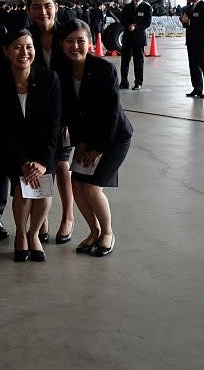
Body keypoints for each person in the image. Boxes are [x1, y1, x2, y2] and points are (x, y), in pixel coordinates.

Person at [58, 20, 133, 258]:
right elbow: (70, 113)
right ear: (62, 44)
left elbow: (111, 114)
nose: (75, 46)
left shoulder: (105, 69)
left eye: (81, 40)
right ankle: (94, 231)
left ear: (90, 42)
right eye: (69, 41)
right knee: (76, 186)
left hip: (114, 138)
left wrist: (98, 148)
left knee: (91, 187)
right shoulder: (61, 72)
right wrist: (79, 142)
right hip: (86, 138)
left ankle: (108, 233)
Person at [0, 29, 61, 262]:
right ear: (6, 51)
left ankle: (34, 234)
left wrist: (42, 162)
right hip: (13, 152)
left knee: (42, 189)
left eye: (29, 47)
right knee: (23, 187)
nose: (24, 52)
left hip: (43, 150)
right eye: (18, 47)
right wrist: (23, 163)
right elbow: (2, 130)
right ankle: (21, 234)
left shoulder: (49, 79)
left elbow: (54, 124)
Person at [17, 0, 74, 246]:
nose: (43, 11)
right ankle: (43, 219)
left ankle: (68, 217)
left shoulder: (68, 34)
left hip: (67, 111)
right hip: (41, 114)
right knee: (41, 164)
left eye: (47, 6)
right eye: (36, 7)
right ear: (29, 11)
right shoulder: (28, 37)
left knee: (62, 166)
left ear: (56, 7)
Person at [119, 0, 152, 90]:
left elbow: (147, 23)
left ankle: (138, 82)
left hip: (139, 39)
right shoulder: (127, 7)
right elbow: (122, 20)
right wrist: (128, 25)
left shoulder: (146, 7)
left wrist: (136, 26)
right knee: (124, 61)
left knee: (138, 62)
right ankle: (124, 82)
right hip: (127, 38)